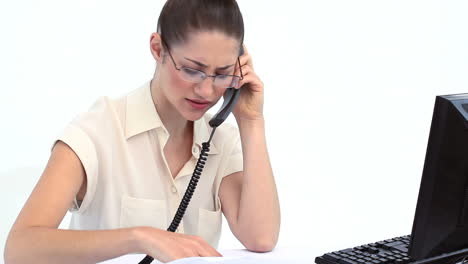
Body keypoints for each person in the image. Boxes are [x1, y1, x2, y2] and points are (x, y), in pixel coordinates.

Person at [4, 0, 280, 263]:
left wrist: (251, 120)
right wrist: (138, 237)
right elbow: (20, 249)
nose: (207, 91)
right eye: (192, 70)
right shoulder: (95, 132)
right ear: (158, 49)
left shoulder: (220, 140)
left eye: (222, 74)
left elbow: (261, 238)